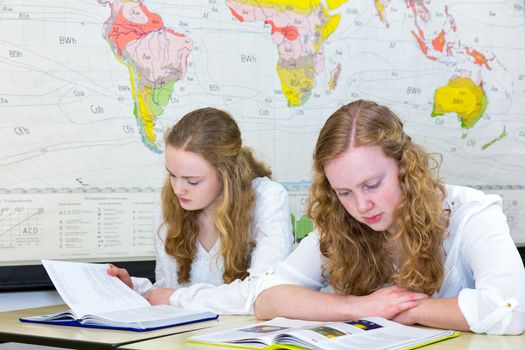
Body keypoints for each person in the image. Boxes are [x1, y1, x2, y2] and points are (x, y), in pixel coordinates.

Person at [253, 100, 525, 334]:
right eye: (344, 192)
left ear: (405, 167)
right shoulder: (340, 223)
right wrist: (362, 306)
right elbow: (267, 297)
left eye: (372, 185)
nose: (361, 206)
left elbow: (511, 310)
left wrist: (409, 310)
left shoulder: (472, 213)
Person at [108, 107, 293, 314]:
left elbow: (264, 294)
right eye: (172, 175)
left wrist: (174, 298)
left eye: (192, 181)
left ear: (227, 175)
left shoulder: (268, 198)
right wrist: (134, 289)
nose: (178, 189)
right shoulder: (168, 205)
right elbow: (167, 292)